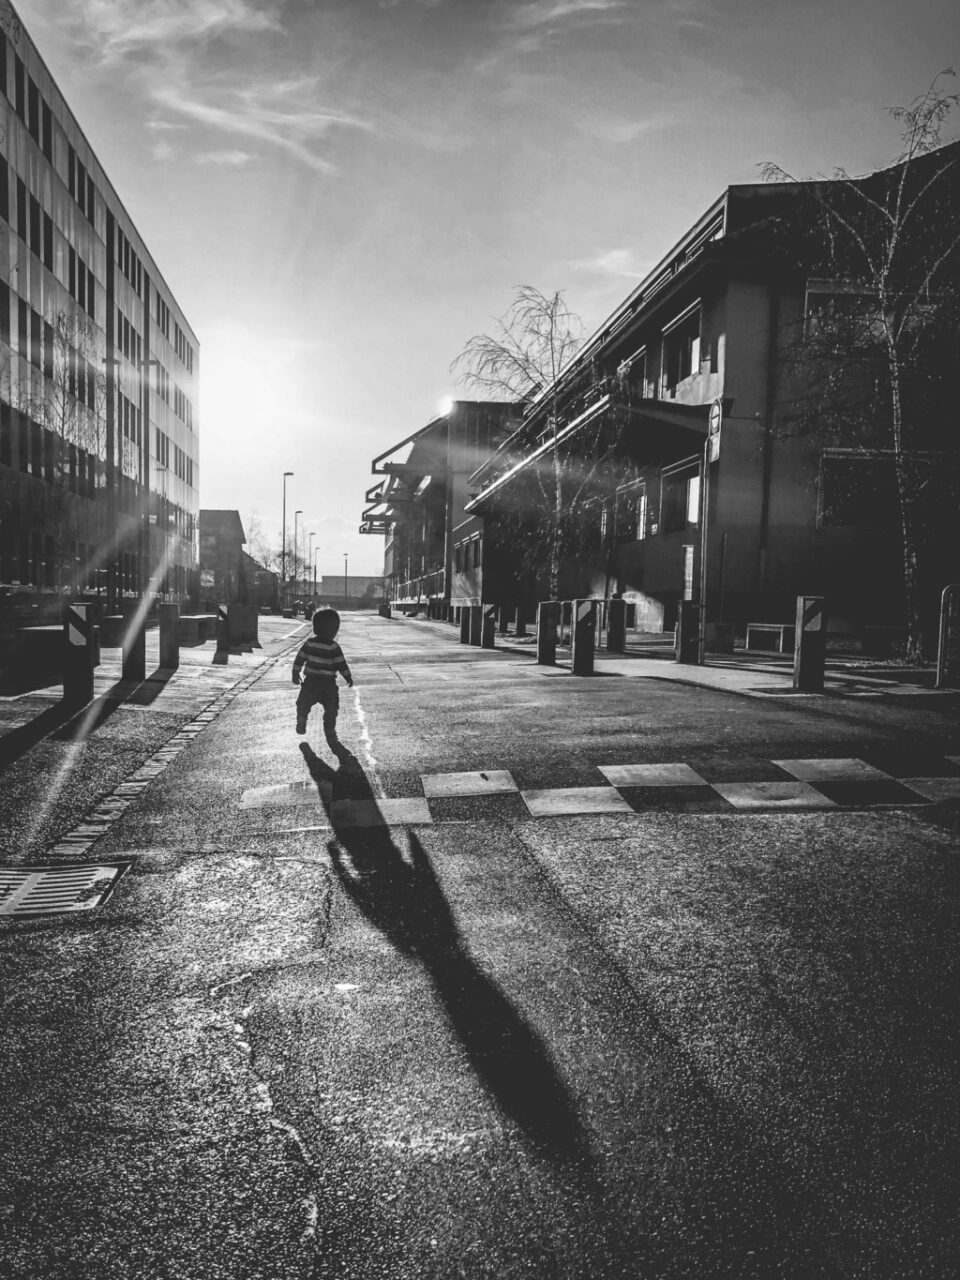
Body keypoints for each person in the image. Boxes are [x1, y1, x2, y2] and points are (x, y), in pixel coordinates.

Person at [292, 607, 353, 750]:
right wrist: (348, 677)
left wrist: (295, 673)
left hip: (310, 682)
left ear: (315, 628)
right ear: (334, 630)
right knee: (331, 708)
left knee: (303, 703)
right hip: (328, 685)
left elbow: (299, 659)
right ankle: (330, 730)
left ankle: (302, 719)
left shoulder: (309, 644)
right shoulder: (333, 646)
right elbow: (341, 663)